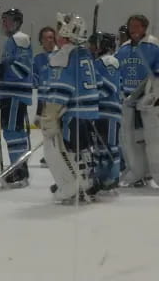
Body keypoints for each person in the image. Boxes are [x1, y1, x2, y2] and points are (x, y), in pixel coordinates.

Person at [41, 13, 99, 204]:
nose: (57, 31)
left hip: (73, 111)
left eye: (60, 28)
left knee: (63, 149)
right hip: (89, 109)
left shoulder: (65, 53)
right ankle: (87, 183)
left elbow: (62, 86)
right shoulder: (84, 53)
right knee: (83, 148)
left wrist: (51, 114)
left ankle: (72, 187)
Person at [115, 14, 159, 187]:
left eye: (137, 26)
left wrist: (154, 95)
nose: (133, 29)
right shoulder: (124, 49)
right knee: (129, 138)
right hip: (127, 100)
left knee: (153, 139)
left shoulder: (153, 46)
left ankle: (156, 173)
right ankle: (137, 171)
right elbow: (116, 72)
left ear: (144, 27)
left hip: (149, 101)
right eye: (131, 25)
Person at [0, 8, 33, 187]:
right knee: (13, 131)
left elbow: (22, 68)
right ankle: (19, 167)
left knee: (12, 131)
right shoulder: (11, 41)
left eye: (8, 20)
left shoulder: (20, 39)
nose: (4, 23)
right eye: (3, 20)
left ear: (17, 22)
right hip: (10, 93)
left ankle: (18, 169)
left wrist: (0, 70)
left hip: (14, 93)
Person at [87, 32, 121, 193]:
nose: (91, 47)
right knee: (99, 146)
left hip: (110, 112)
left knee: (110, 145)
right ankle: (101, 175)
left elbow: (110, 87)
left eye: (95, 44)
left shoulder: (110, 61)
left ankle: (112, 176)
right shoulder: (95, 62)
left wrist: (91, 92)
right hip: (98, 112)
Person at [32, 26, 56, 168]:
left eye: (51, 37)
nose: (50, 41)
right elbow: (35, 80)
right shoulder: (38, 59)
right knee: (46, 131)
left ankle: (58, 156)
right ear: (41, 41)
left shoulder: (60, 55)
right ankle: (49, 156)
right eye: (46, 38)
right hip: (44, 101)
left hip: (58, 100)